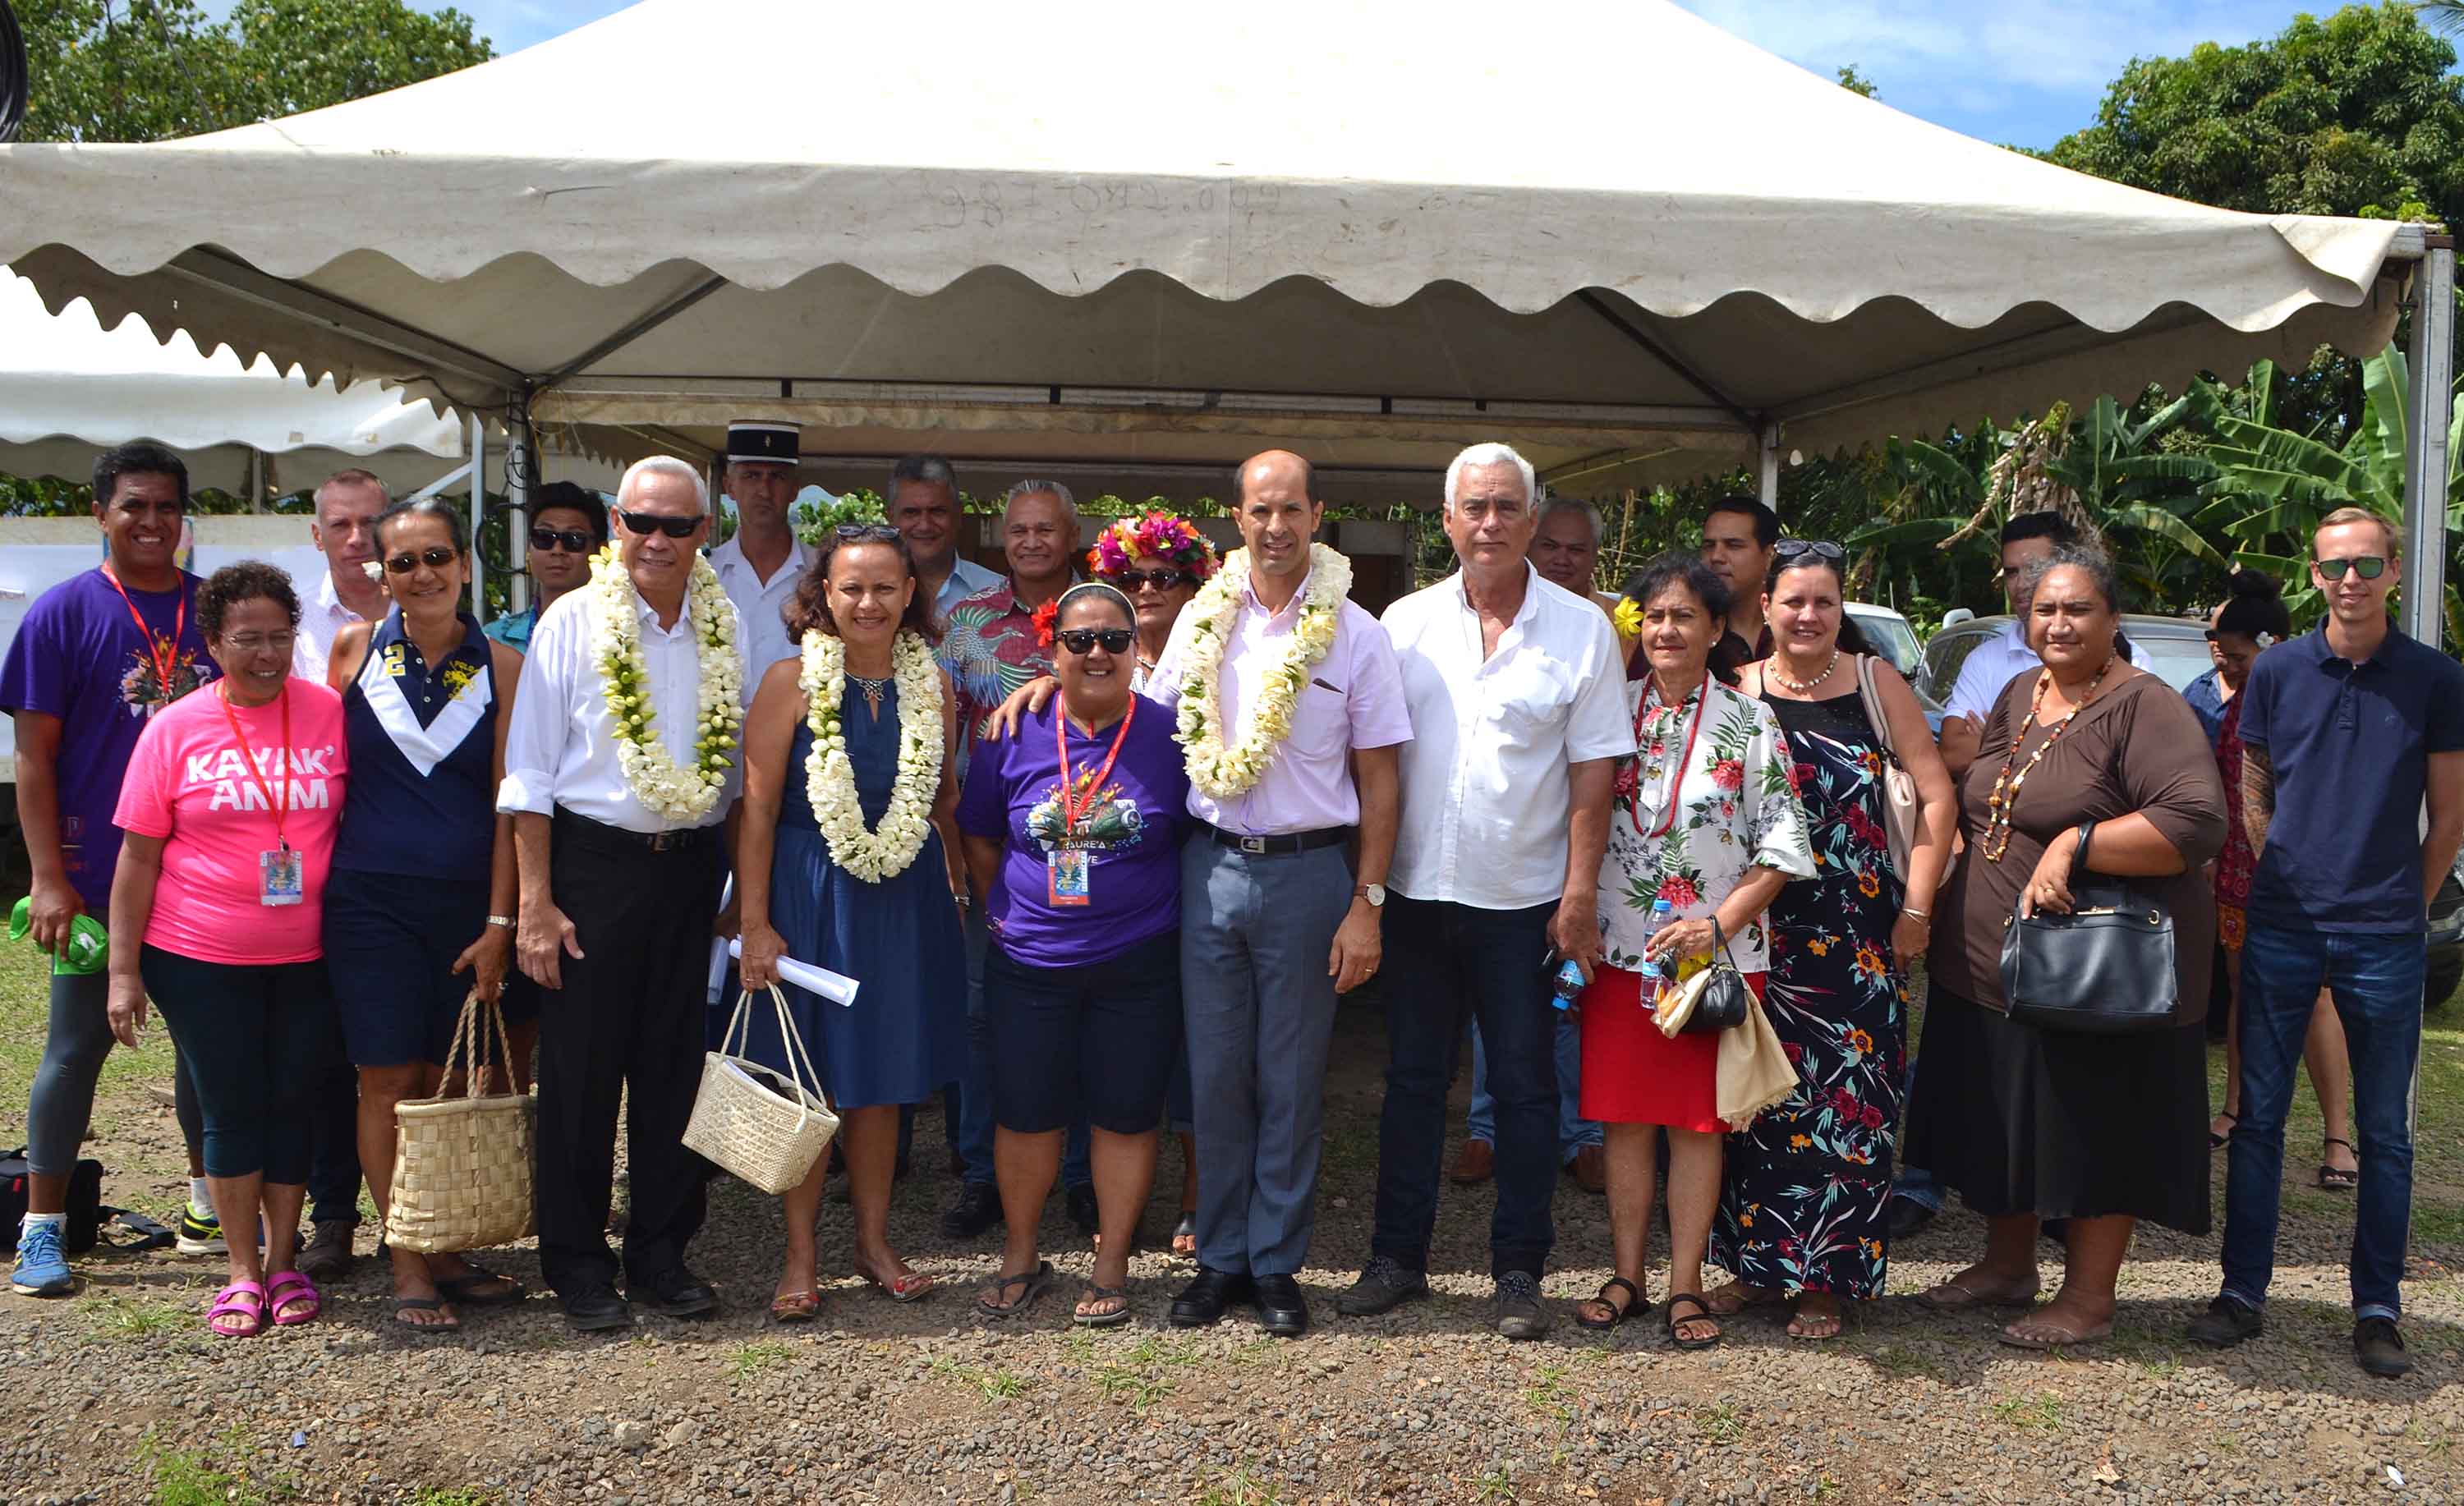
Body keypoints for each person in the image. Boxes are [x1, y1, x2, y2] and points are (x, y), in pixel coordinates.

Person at [1344, 442, 1632, 1340]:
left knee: (1524, 1089)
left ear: (1533, 520)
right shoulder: (1402, 624)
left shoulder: (1581, 629)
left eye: (1508, 506)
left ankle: (1518, 1271)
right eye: (1475, 507)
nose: (1492, 523)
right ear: (1447, 520)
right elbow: (1372, 762)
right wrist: (1369, 893)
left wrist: (1578, 895)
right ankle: (1397, 1258)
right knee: (1412, 1082)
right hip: (1419, 896)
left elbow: (1594, 774)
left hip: (1526, 903)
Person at [1905, 542, 2225, 1351]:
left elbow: (2195, 819)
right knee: (2004, 1118)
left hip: (2092, 969)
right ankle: (2007, 1265)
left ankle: (2088, 1298)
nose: (2058, 623)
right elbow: (1984, 795)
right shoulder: (2023, 691)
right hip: (1992, 962)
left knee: (2092, 1127)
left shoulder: (2147, 706)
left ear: (2113, 620)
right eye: (2045, 608)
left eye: (2078, 608)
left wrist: (2078, 843)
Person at [1135, 456, 1409, 1338]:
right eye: (1261, 510)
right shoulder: (1202, 619)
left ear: (1318, 514)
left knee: (1289, 1077)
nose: (1277, 526)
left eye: (1292, 509)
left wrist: (1367, 903)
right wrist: (1047, 689)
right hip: (1210, 866)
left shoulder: (1357, 633)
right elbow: (1146, 725)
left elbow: (1381, 778)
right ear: (1237, 517)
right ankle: (1220, 1257)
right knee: (1216, 1073)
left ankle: (1275, 1262)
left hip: (1308, 873)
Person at [2191, 508, 2464, 1379]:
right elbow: (2254, 782)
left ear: (2393, 572)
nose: (2352, 578)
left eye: (2368, 564)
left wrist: (2405, 905)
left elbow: (2449, 817)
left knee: (2386, 1134)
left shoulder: (2435, 678)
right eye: (2336, 565)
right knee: (2259, 1121)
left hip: (2385, 936)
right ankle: (2242, 1293)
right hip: (2284, 924)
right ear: (2314, 575)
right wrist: (2285, 874)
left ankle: (2378, 1308)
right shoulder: (2277, 669)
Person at [498, 455, 746, 1334]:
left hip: (689, 868)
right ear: (616, 524)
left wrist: (735, 889)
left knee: (675, 1066)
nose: (657, 540)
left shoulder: (724, 621)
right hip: (593, 867)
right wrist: (535, 902)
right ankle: (576, 1261)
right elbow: (529, 773)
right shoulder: (571, 620)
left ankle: (661, 1253)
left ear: (704, 532)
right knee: (582, 1070)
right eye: (641, 521)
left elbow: (735, 773)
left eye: (677, 525)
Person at [1557, 555, 1812, 1344]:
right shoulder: (1606, 711)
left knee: (1698, 1124)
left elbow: (1782, 848)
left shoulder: (1750, 721)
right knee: (1625, 1119)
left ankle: (1686, 1285)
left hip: (1713, 960)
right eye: (1655, 616)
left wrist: (1718, 926)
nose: (1667, 630)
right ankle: (1626, 1274)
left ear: (1716, 628)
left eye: (1685, 616)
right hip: (1617, 951)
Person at [1703, 541, 1954, 1339]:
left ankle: (1827, 1280)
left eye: (1824, 602)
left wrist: (1918, 909)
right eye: (1794, 601)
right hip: (1761, 935)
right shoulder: (1739, 689)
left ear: (1841, 610)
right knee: (1757, 1102)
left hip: (1859, 937)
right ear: (1766, 607)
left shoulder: (1876, 684)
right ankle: (1756, 1267)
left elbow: (1937, 797)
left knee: (1852, 1105)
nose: (1808, 615)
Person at [107, 562, 350, 1337]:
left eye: (281, 636)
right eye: (248, 639)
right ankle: (241, 1270)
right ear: (213, 643)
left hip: (310, 955)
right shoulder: (174, 728)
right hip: (198, 956)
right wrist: (121, 971)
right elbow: (137, 857)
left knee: (294, 1104)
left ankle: (283, 1262)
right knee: (231, 1105)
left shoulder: (328, 711)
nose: (267, 654)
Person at [2, 443, 222, 1296]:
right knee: (74, 1047)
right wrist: (46, 877)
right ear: (101, 513)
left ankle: (209, 1208)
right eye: (134, 505)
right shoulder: (63, 614)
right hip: (94, 879)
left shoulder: (214, 609)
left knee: (207, 1048)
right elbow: (33, 758)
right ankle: (42, 1229)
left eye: (166, 506)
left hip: (201, 876)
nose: (151, 521)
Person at [735, 525, 966, 1320]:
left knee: (881, 1077)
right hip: (809, 893)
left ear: (911, 593)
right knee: (811, 1079)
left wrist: (954, 888)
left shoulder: (934, 686)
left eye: (885, 587)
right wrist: (755, 923)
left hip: (901, 901)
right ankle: (800, 1256)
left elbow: (941, 800)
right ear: (824, 595)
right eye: (852, 588)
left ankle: (873, 1243)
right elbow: (757, 811)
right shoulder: (789, 682)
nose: (869, 603)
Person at [957, 583, 1193, 1324]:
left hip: (1138, 961)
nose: (1097, 653)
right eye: (1079, 639)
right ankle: (1021, 1256)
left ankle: (1112, 1263)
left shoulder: (1172, 736)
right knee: (1025, 1113)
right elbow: (979, 833)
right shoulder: (1011, 730)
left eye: (1114, 640)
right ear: (1051, 649)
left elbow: (1191, 839)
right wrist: (1012, 908)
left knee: (1126, 1115)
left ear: (1135, 649)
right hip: (1031, 961)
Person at [321, 497, 529, 1331]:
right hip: (368, 903)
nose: (422, 574)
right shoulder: (353, 649)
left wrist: (500, 923)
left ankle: (443, 1245)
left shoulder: (505, 665)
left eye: (437, 557)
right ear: (383, 573)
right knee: (386, 1081)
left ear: (465, 565)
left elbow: (512, 806)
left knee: (448, 1083)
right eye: (403, 562)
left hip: (466, 904)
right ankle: (406, 1254)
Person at [935, 480, 1093, 1242]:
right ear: (1003, 537)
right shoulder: (967, 621)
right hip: (989, 849)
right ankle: (981, 1175)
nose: (1032, 541)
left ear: (1071, 536)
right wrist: (960, 855)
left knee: (1087, 1014)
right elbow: (942, 741)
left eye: (1046, 529)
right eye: (1019, 529)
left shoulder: (1101, 614)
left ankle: (1083, 1177)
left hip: (1093, 848)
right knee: (982, 1014)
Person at [1458, 492, 1613, 1195]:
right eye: (1551, 544)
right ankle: (1485, 1129)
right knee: (1499, 1007)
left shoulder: (1606, 628)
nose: (1562, 559)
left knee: (1574, 998)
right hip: (1499, 863)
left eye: (1577, 549)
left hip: (1587, 852)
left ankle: (1583, 1133)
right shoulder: (1475, 618)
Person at [1088, 508, 1221, 1258]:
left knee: (1196, 1032)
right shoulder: (1094, 654)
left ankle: (1199, 1190)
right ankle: (1111, 1194)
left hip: (1197, 857)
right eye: (1131, 577)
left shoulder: (1225, 652)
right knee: (1120, 1034)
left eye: (1164, 576)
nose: (1146, 589)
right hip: (1117, 873)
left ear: (1194, 584)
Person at [2199, 572, 2357, 1189]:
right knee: (2243, 988)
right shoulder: (2240, 699)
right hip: (2238, 870)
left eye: (2239, 657)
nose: (2229, 667)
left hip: (2301, 872)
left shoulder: (2315, 693)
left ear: (2272, 645)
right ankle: (2235, 1108)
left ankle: (2338, 1138)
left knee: (2316, 996)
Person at [284, 467, 391, 1280]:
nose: (358, 540)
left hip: (400, 865)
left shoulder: (428, 608)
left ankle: (416, 1218)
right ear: (317, 534)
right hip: (313, 865)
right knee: (324, 1057)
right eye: (342, 525)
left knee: (401, 1057)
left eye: (371, 524)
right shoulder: (288, 626)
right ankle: (333, 1217)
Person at [1937, 512, 2152, 778]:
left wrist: (1992, 740)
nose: (2022, 584)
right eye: (2012, 572)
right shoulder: (1984, 661)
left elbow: (2130, 759)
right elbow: (1953, 753)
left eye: (2034, 568)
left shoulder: (2129, 664)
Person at [709, 420, 816, 692]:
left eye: (777, 477)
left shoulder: (822, 573)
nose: (764, 491)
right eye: (751, 476)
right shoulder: (705, 574)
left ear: (795, 489)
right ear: (729, 486)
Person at [485, 482, 609, 650]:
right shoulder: (494, 640)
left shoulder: (621, 637)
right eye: (544, 537)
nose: (557, 550)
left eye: (573, 539)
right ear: (529, 546)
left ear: (601, 550)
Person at [887, 454, 1001, 623]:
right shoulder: (869, 595)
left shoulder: (998, 593)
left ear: (958, 515)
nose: (925, 525)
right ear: (891, 518)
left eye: (937, 511)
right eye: (911, 512)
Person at [1699, 496, 1777, 667]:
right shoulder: (1687, 630)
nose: (1716, 557)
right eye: (1709, 546)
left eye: (1733, 545)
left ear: (1768, 556)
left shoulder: (1796, 627)